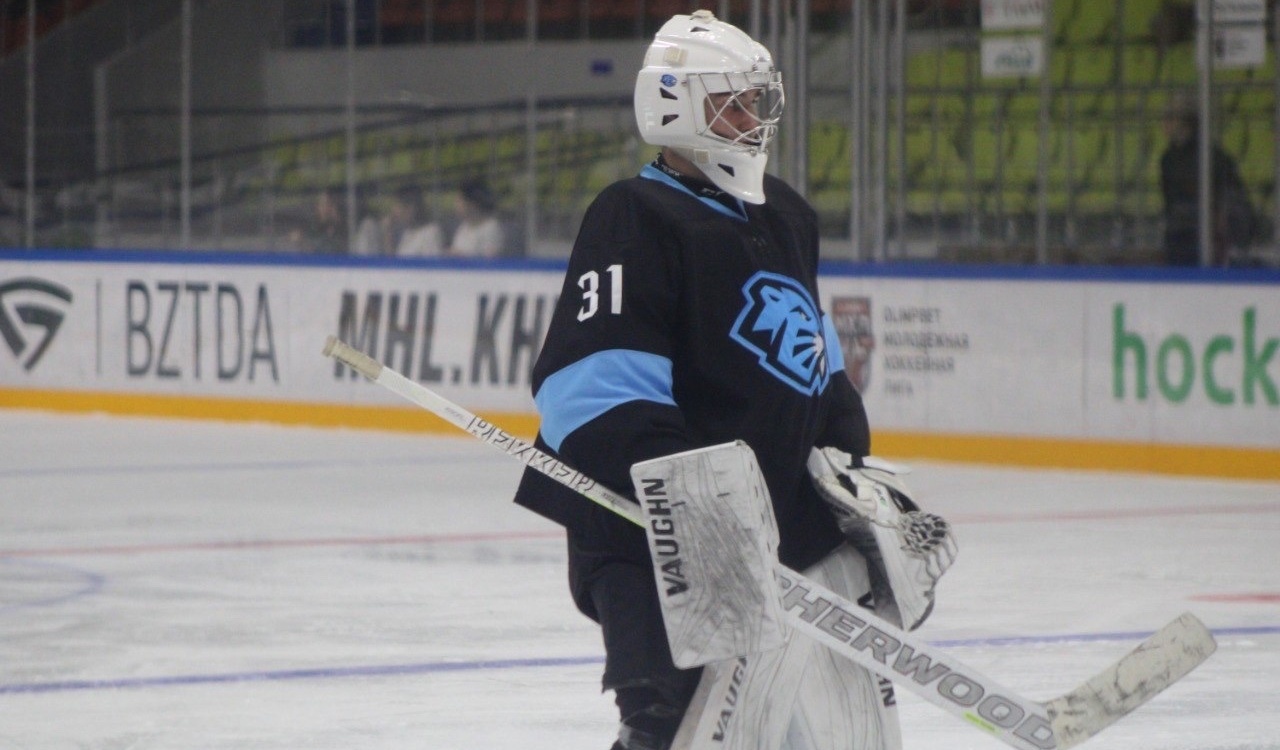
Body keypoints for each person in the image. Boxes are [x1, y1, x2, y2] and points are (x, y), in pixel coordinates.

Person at [511, 11, 955, 750]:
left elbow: (818, 364)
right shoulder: (633, 216)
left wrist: (846, 472)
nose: (752, 119)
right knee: (670, 721)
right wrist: (701, 502)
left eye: (757, 100)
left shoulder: (785, 214)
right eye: (732, 101)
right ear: (674, 103)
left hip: (770, 525)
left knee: (814, 726)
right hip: (650, 533)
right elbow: (590, 390)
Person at [1159, 94, 1254, 267]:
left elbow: (1229, 197)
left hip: (1205, 236)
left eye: (1170, 117)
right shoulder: (1168, 159)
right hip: (1179, 236)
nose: (1164, 123)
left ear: (1185, 122)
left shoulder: (1212, 157)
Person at [446, 178, 504, 257]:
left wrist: (461, 256)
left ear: (472, 204)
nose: (456, 205)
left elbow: (490, 262)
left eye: (459, 200)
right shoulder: (463, 228)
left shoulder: (491, 229)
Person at [382, 184, 443, 257]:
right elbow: (394, 264)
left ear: (410, 208)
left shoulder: (430, 233)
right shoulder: (407, 232)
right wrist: (388, 233)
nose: (394, 212)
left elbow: (432, 266)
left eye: (397, 207)